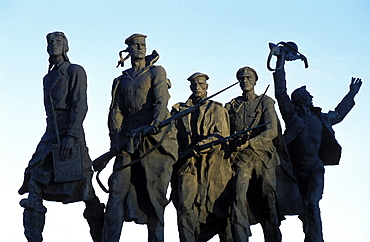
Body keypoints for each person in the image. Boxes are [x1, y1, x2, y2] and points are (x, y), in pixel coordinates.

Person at [18, 31, 104, 242]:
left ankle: (101, 234)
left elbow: (80, 105)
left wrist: (71, 136)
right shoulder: (47, 78)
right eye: (50, 42)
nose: (53, 44)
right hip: (50, 135)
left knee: (85, 188)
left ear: (66, 46)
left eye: (58, 41)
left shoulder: (75, 71)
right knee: (33, 179)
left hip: (70, 133)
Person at [273, 51, 362, 242]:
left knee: (313, 204)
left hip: (314, 169)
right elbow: (280, 92)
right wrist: (280, 61)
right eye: (308, 94)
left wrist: (351, 94)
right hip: (294, 172)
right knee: (297, 211)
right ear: (301, 99)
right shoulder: (292, 116)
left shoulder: (321, 119)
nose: (311, 96)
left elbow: (338, 114)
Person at [102, 33, 178, 242]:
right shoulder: (120, 80)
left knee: (154, 197)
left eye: (142, 44)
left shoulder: (156, 72)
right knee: (116, 192)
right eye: (135, 45)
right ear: (128, 50)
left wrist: (154, 124)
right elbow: (115, 112)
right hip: (127, 142)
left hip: (152, 142)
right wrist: (116, 141)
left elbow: (160, 102)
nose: (140, 48)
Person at [171, 72, 233, 242]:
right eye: (194, 85)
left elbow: (222, 135)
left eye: (200, 84)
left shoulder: (217, 109)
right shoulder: (179, 110)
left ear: (207, 86)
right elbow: (170, 138)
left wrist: (205, 143)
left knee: (219, 210)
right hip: (187, 164)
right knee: (184, 205)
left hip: (212, 166)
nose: (197, 87)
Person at [225, 66, 282, 242]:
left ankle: (273, 237)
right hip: (242, 159)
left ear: (255, 80)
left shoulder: (266, 102)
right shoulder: (232, 105)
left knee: (268, 196)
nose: (245, 81)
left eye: (249, 78)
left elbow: (272, 131)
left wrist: (250, 142)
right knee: (237, 195)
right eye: (241, 78)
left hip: (264, 157)